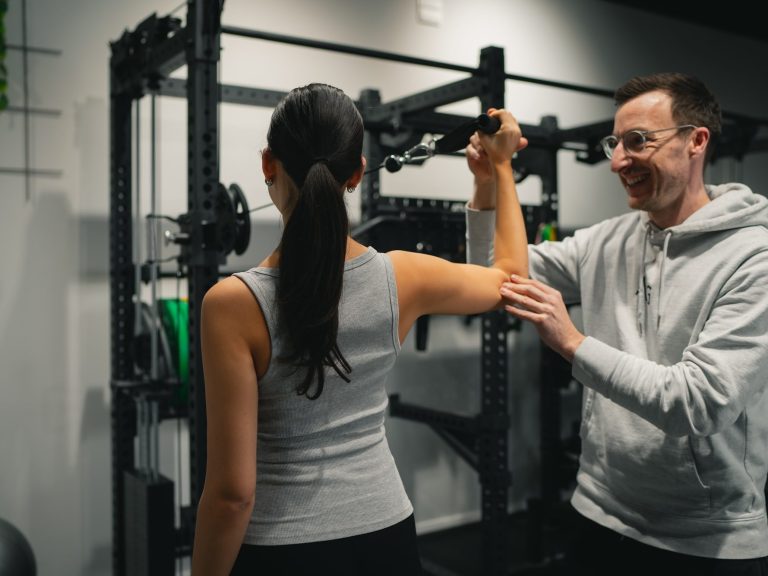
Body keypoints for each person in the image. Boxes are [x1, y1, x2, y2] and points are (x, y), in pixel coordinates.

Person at [190, 82, 529, 576]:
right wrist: (500, 169)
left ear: (269, 164)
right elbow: (511, 279)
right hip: (385, 536)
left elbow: (231, 495)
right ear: (358, 173)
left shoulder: (231, 305)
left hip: (281, 549)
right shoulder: (404, 278)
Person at [464, 72, 768, 574]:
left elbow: (699, 403)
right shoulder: (606, 241)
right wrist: (488, 182)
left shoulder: (752, 258)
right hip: (599, 511)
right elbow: (495, 276)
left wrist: (572, 342)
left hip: (703, 542)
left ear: (696, 141)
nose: (618, 160)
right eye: (615, 142)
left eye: (637, 141)